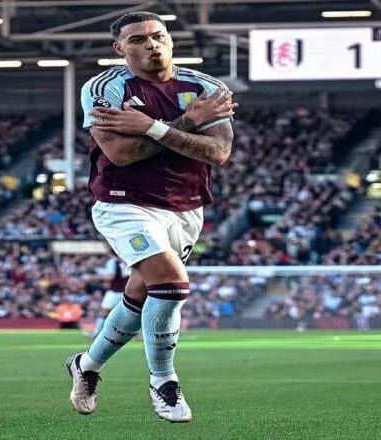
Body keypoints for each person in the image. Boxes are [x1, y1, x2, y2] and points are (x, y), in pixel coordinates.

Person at [65, 11, 235, 423]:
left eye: (158, 36)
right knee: (172, 286)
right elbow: (121, 154)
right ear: (119, 48)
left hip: (186, 206)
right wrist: (188, 123)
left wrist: (151, 127)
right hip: (125, 203)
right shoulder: (105, 88)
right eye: (138, 39)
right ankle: (164, 381)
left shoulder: (206, 88)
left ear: (170, 39)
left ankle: (86, 364)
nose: (151, 44)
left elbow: (217, 153)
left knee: (141, 296)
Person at [84, 255, 130, 338]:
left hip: (115, 292)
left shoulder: (113, 262)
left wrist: (92, 277)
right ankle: (135, 335)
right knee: (130, 314)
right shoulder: (127, 259)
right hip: (127, 292)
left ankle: (96, 333)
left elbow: (110, 277)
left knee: (103, 313)